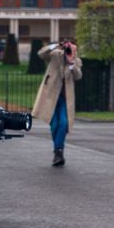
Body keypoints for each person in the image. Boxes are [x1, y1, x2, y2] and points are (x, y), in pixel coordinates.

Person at [32, 38, 82, 168]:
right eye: (68, 46)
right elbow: (41, 54)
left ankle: (58, 151)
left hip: (65, 99)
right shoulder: (55, 55)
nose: (69, 49)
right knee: (54, 125)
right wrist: (56, 45)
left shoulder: (76, 60)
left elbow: (78, 76)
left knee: (63, 124)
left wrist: (71, 63)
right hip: (51, 98)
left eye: (72, 47)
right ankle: (58, 152)